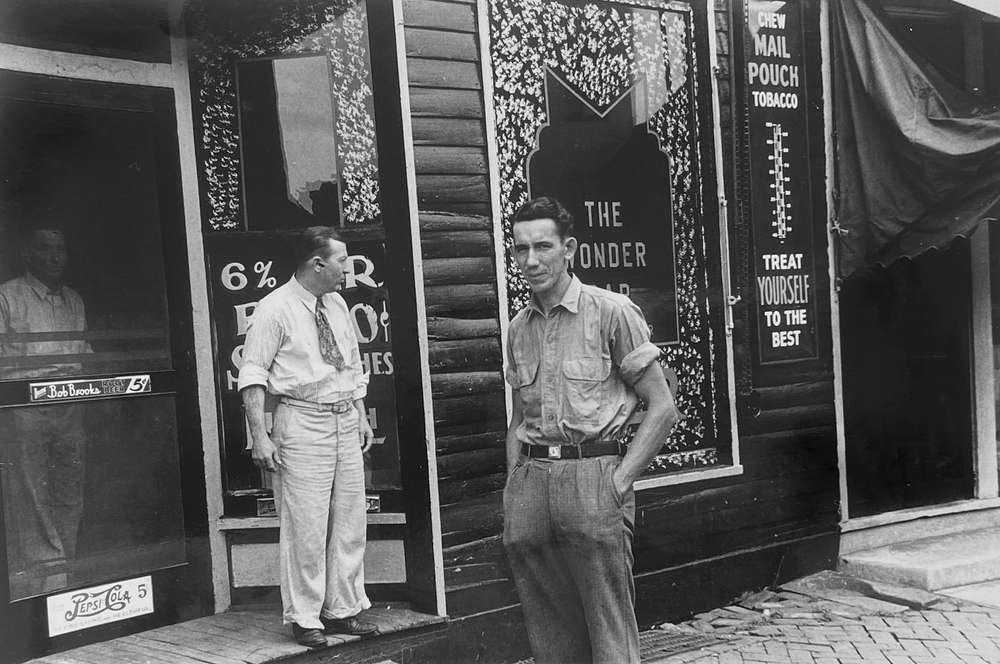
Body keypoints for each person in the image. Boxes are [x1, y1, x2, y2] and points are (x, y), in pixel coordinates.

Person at [503, 196, 681, 664]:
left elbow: (662, 407)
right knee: (548, 630)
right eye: (521, 249)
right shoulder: (519, 328)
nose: (531, 260)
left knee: (608, 626)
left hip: (593, 476)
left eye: (543, 246)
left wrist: (618, 482)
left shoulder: (611, 311)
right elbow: (519, 418)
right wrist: (514, 485)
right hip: (533, 481)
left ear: (570, 249)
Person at [239, 226, 378, 648]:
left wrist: (359, 414)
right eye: (341, 261)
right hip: (301, 422)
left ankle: (343, 609)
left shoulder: (335, 304)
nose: (347, 269)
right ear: (318, 263)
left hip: (342, 420)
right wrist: (259, 436)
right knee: (307, 524)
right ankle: (305, 617)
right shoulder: (274, 308)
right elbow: (253, 374)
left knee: (350, 519)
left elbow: (350, 365)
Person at [0, 226, 90, 596]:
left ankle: (62, 565)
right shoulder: (7, 296)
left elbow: (83, 355)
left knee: (70, 488)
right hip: (26, 406)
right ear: (29, 255)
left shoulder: (74, 300)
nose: (55, 257)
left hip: (69, 406)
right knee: (31, 489)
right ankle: (47, 574)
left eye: (61, 249)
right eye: (45, 249)